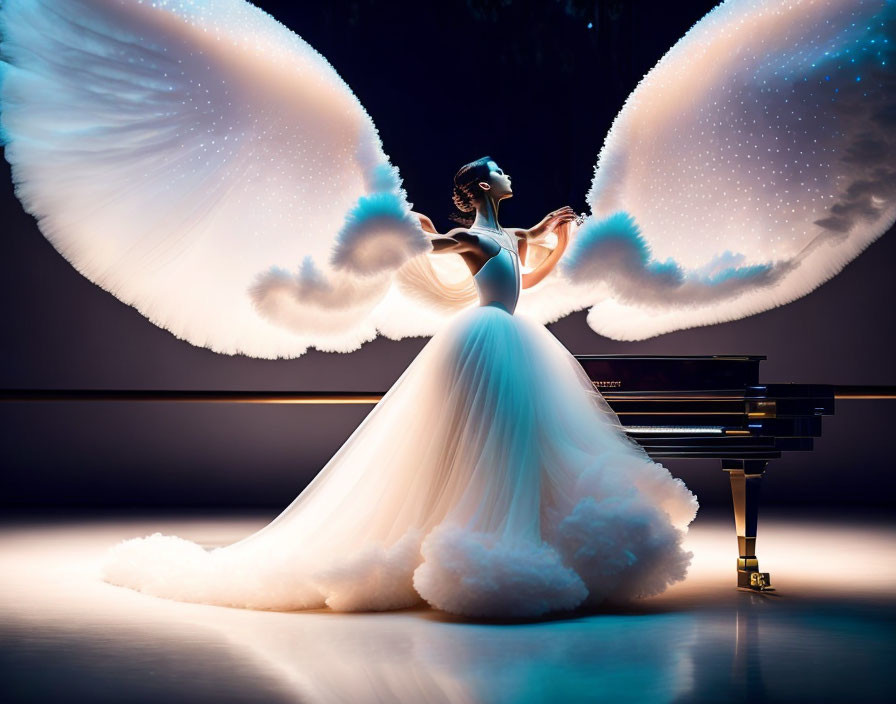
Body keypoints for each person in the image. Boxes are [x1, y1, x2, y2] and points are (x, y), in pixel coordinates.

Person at [102, 157, 699, 619]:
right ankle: (481, 548)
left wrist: (555, 237)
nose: (508, 173)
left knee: (523, 440)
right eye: (499, 170)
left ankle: (519, 543)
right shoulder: (474, 239)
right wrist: (417, 233)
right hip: (486, 338)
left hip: (511, 333)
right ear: (484, 186)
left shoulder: (509, 237)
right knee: (486, 440)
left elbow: (530, 275)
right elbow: (429, 250)